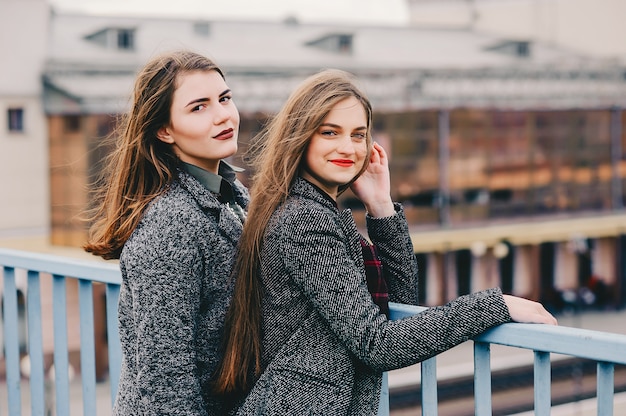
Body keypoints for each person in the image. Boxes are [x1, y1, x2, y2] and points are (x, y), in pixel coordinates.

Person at [213, 69, 556, 415]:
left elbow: (400, 302)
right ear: (301, 137)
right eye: (330, 132)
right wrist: (492, 306)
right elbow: (376, 343)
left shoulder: (316, 209)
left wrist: (381, 207)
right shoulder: (305, 219)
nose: (348, 147)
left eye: (358, 135)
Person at [84, 50, 249, 415]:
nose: (224, 115)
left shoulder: (231, 195)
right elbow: (165, 381)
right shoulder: (170, 226)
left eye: (224, 98)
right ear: (164, 130)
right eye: (199, 107)